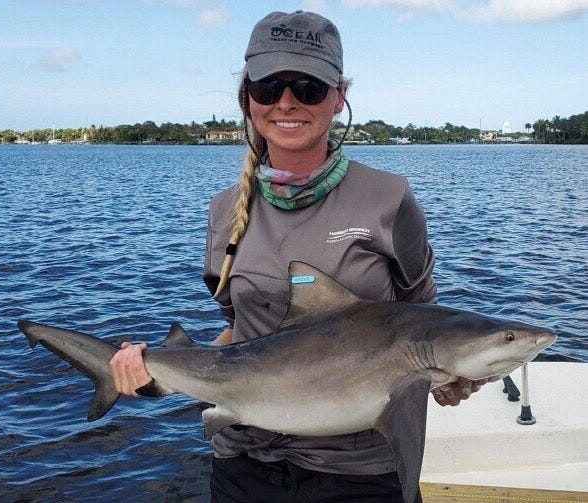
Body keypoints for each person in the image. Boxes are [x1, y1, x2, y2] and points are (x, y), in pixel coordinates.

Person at [110, 10, 487, 503]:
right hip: (243, 467)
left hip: (360, 475)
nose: (286, 102)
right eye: (268, 87)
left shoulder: (389, 200)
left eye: (308, 87)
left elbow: (425, 326)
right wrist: (155, 370)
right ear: (248, 99)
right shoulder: (225, 212)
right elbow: (241, 334)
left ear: (339, 97)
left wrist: (454, 378)